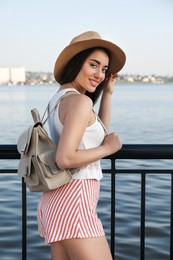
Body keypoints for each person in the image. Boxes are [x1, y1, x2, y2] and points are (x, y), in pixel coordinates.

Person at [37, 31, 126, 260]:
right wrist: (109, 149)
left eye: (104, 69)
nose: (99, 74)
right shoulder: (79, 101)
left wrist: (107, 93)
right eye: (93, 65)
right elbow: (65, 158)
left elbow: (95, 135)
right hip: (74, 202)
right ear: (77, 62)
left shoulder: (61, 98)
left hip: (57, 200)